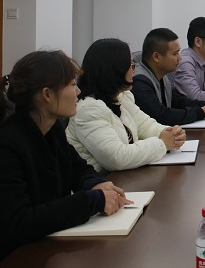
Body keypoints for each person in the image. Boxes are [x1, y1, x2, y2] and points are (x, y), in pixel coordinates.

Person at [0, 50, 131, 267]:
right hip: (8, 258)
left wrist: (95, 183)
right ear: (47, 95)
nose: (78, 91)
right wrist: (92, 200)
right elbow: (18, 223)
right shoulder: (2, 147)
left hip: (45, 247)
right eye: (72, 85)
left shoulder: (51, 129)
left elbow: (77, 168)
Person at [67, 39, 186, 174]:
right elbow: (117, 158)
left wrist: (169, 133)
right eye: (130, 65)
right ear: (114, 70)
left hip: (125, 177)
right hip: (103, 181)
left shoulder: (121, 96)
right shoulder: (88, 109)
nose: (134, 70)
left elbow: (144, 125)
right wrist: (162, 144)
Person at [132, 28, 205, 125]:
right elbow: (161, 115)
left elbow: (178, 101)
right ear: (156, 57)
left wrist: (204, 105)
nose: (180, 58)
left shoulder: (162, 77)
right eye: (175, 54)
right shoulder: (139, 82)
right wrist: (200, 112)